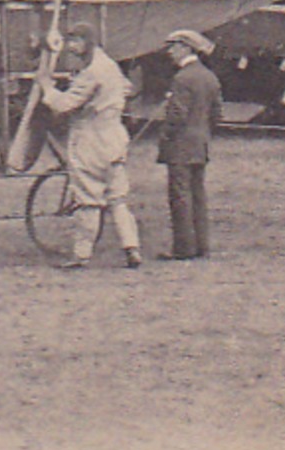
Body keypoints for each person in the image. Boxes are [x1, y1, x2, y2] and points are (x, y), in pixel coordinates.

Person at [33, 21, 143, 270]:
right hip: (114, 137)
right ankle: (132, 247)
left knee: (89, 199)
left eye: (75, 41)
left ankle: (81, 255)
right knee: (118, 198)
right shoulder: (109, 66)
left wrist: (47, 88)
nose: (71, 47)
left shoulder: (92, 71)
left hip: (91, 140)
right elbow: (126, 88)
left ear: (86, 42)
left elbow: (64, 104)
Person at [156, 29, 223, 261]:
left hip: (180, 145)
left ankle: (183, 248)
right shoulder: (209, 77)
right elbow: (217, 115)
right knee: (198, 195)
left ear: (186, 48)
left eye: (173, 47)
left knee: (180, 196)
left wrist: (165, 136)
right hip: (200, 144)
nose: (170, 53)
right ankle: (202, 246)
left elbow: (177, 115)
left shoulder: (182, 78)